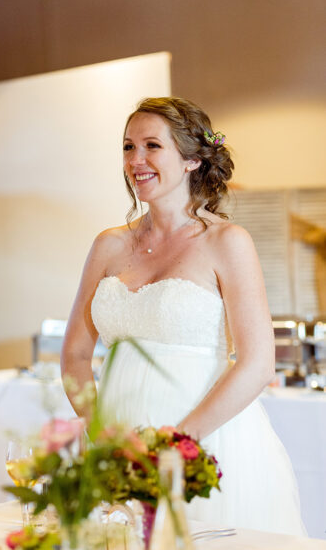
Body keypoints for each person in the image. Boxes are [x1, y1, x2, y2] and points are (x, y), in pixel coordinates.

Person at [61, 97, 306, 535]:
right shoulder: (108, 245)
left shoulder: (227, 242)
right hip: (120, 445)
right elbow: (76, 354)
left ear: (193, 159)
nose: (136, 160)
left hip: (207, 440)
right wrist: (99, 431)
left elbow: (257, 363)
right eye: (127, 147)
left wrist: (176, 444)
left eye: (152, 146)